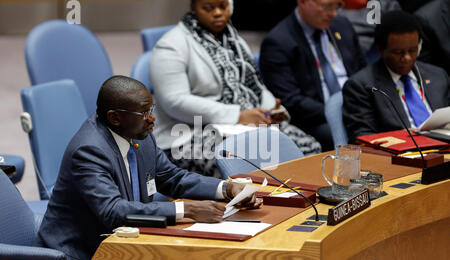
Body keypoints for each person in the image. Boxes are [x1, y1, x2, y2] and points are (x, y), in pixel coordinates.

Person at [36, 75, 262, 260]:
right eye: (144, 113)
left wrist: (226, 188)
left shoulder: (138, 134)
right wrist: (187, 209)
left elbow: (172, 178)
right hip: (85, 259)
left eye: (151, 110)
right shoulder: (89, 150)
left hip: (128, 245)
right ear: (115, 117)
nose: (152, 119)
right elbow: (112, 211)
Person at [149, 0, 321, 178]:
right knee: (239, 161)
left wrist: (271, 111)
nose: (217, 13)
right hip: (189, 132)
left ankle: (299, 201)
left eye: (222, 6)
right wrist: (237, 115)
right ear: (194, 8)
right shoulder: (170, 46)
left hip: (243, 125)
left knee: (308, 146)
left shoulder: (233, 39)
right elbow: (174, 101)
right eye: (208, 8)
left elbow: (254, 86)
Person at [259, 0, 366, 151]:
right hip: (317, 119)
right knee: (350, 137)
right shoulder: (278, 42)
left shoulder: (342, 25)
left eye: (338, 5)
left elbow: (362, 73)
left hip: (357, 109)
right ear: (302, 2)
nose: (334, 13)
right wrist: (339, 113)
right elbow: (291, 100)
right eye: (327, 6)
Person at [342, 10, 450, 143]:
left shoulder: (438, 76)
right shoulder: (361, 86)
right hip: (401, 157)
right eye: (398, 52)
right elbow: (363, 139)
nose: (407, 58)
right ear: (380, 50)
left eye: (413, 50)